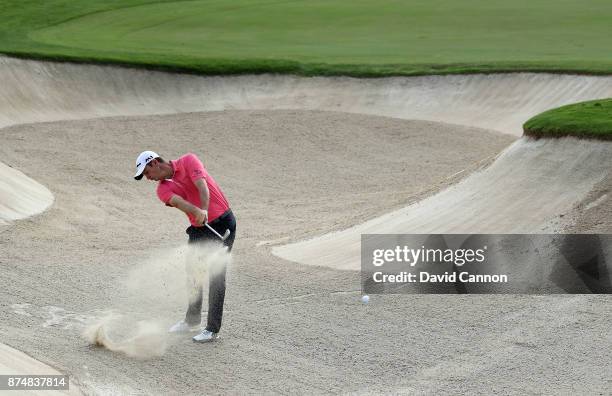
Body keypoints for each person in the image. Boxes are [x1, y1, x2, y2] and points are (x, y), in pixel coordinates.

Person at [134, 150, 236, 343]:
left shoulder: (189, 161)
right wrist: (197, 211)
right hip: (199, 228)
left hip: (223, 223)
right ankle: (192, 320)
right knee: (193, 272)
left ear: (155, 163)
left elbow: (202, 186)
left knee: (215, 275)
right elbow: (179, 202)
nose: (148, 178)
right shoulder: (161, 189)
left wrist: (204, 209)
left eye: (147, 173)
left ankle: (212, 329)